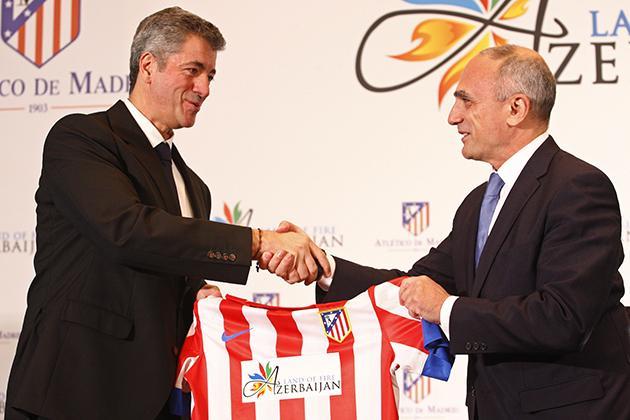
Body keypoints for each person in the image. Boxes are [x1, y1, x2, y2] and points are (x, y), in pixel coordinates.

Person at [263, 45, 630, 419]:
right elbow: (413, 287)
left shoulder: (577, 187)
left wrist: (445, 308)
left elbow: (563, 317)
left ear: (516, 108)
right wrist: (324, 268)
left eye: (467, 101)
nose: (454, 117)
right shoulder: (479, 203)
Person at [5, 7, 328, 420]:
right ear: (148, 66)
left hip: (153, 401)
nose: (204, 88)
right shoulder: (82, 138)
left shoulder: (194, 187)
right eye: (193, 70)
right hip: (72, 393)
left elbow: (165, 268)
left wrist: (198, 294)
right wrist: (258, 242)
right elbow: (127, 232)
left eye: (210, 76)